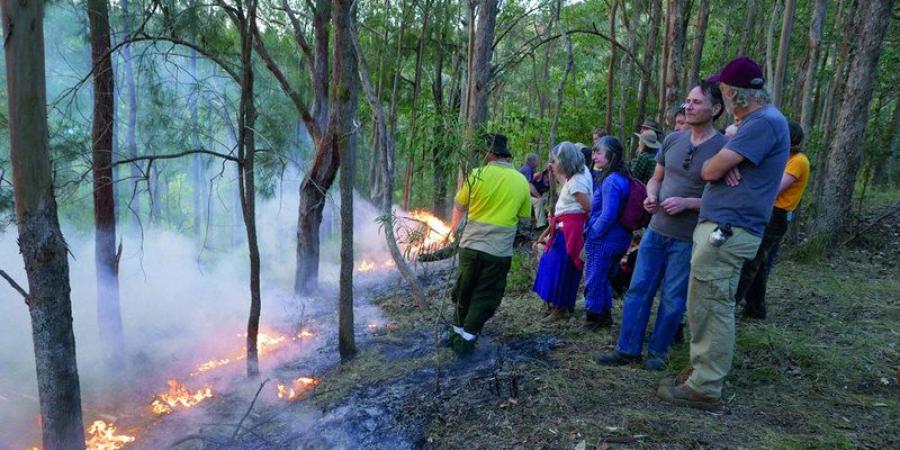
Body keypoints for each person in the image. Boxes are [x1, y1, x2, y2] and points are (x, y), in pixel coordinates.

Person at [657, 56, 790, 410]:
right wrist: (726, 156)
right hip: (723, 227)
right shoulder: (755, 122)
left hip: (729, 230)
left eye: (725, 93)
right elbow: (715, 164)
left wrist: (721, 163)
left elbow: (710, 169)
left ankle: (706, 384)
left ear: (733, 93)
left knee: (713, 305)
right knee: (703, 303)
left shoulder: (763, 123)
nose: (724, 99)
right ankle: (701, 368)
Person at [598, 81, 726, 370]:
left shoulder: (724, 149)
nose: (688, 106)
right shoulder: (671, 140)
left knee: (673, 297)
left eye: (696, 102)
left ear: (716, 109)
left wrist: (688, 203)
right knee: (639, 288)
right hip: (656, 231)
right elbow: (657, 177)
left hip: (688, 236)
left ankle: (658, 352)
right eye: (688, 101)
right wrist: (651, 195)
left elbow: (725, 200)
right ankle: (627, 348)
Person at [448, 134, 532, 356]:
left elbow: (458, 205)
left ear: (491, 154)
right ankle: (467, 339)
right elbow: (524, 219)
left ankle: (456, 334)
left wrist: (454, 231)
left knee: (464, 290)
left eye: (485, 153)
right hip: (498, 251)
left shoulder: (477, 175)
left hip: (470, 246)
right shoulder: (521, 181)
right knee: (485, 295)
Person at [735, 122, 810, 319]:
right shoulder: (781, 157)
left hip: (776, 215)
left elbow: (775, 188)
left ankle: (729, 304)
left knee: (750, 260)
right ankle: (755, 309)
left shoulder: (799, 161)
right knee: (758, 263)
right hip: (765, 211)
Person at [533, 142, 592, 321]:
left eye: (556, 161)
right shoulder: (579, 174)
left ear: (564, 161)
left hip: (569, 233)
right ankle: (558, 305)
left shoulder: (577, 182)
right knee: (554, 266)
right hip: (565, 230)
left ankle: (560, 308)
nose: (554, 164)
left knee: (561, 269)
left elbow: (588, 208)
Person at [583, 136, 632, 329]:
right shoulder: (622, 177)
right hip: (620, 236)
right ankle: (603, 314)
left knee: (594, 276)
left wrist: (592, 234)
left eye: (598, 152)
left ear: (611, 156)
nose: (594, 156)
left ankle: (594, 316)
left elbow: (608, 215)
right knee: (603, 276)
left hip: (605, 237)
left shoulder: (611, 180)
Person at [521, 153, 549, 229]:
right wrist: (539, 197)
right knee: (538, 201)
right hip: (520, 195)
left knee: (539, 200)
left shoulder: (527, 169)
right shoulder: (527, 169)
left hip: (522, 194)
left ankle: (535, 219)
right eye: (536, 160)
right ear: (532, 161)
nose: (538, 162)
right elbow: (529, 185)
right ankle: (541, 225)